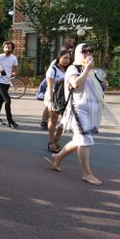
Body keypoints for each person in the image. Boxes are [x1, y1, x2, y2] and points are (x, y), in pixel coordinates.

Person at [43, 43, 105, 186]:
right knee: (85, 140)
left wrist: (101, 85)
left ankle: (57, 158)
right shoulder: (74, 68)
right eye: (84, 51)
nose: (88, 54)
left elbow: (94, 89)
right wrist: (87, 70)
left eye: (90, 51)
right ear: (78, 53)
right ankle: (87, 174)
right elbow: (75, 85)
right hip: (78, 109)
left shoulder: (90, 70)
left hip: (91, 110)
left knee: (80, 139)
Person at [45, 49, 71, 153]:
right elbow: (50, 87)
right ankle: (51, 142)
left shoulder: (69, 70)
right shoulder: (53, 69)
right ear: (59, 58)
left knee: (65, 119)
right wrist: (51, 102)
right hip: (53, 97)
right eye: (64, 58)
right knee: (53, 119)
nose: (67, 60)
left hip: (65, 98)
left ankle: (57, 138)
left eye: (69, 58)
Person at [0, 41, 19, 128]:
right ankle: (10, 121)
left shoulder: (14, 58)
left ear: (12, 49)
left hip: (7, 82)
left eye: (9, 47)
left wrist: (14, 73)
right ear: (3, 48)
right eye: (6, 47)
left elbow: (15, 69)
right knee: (7, 100)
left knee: (1, 100)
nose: (7, 49)